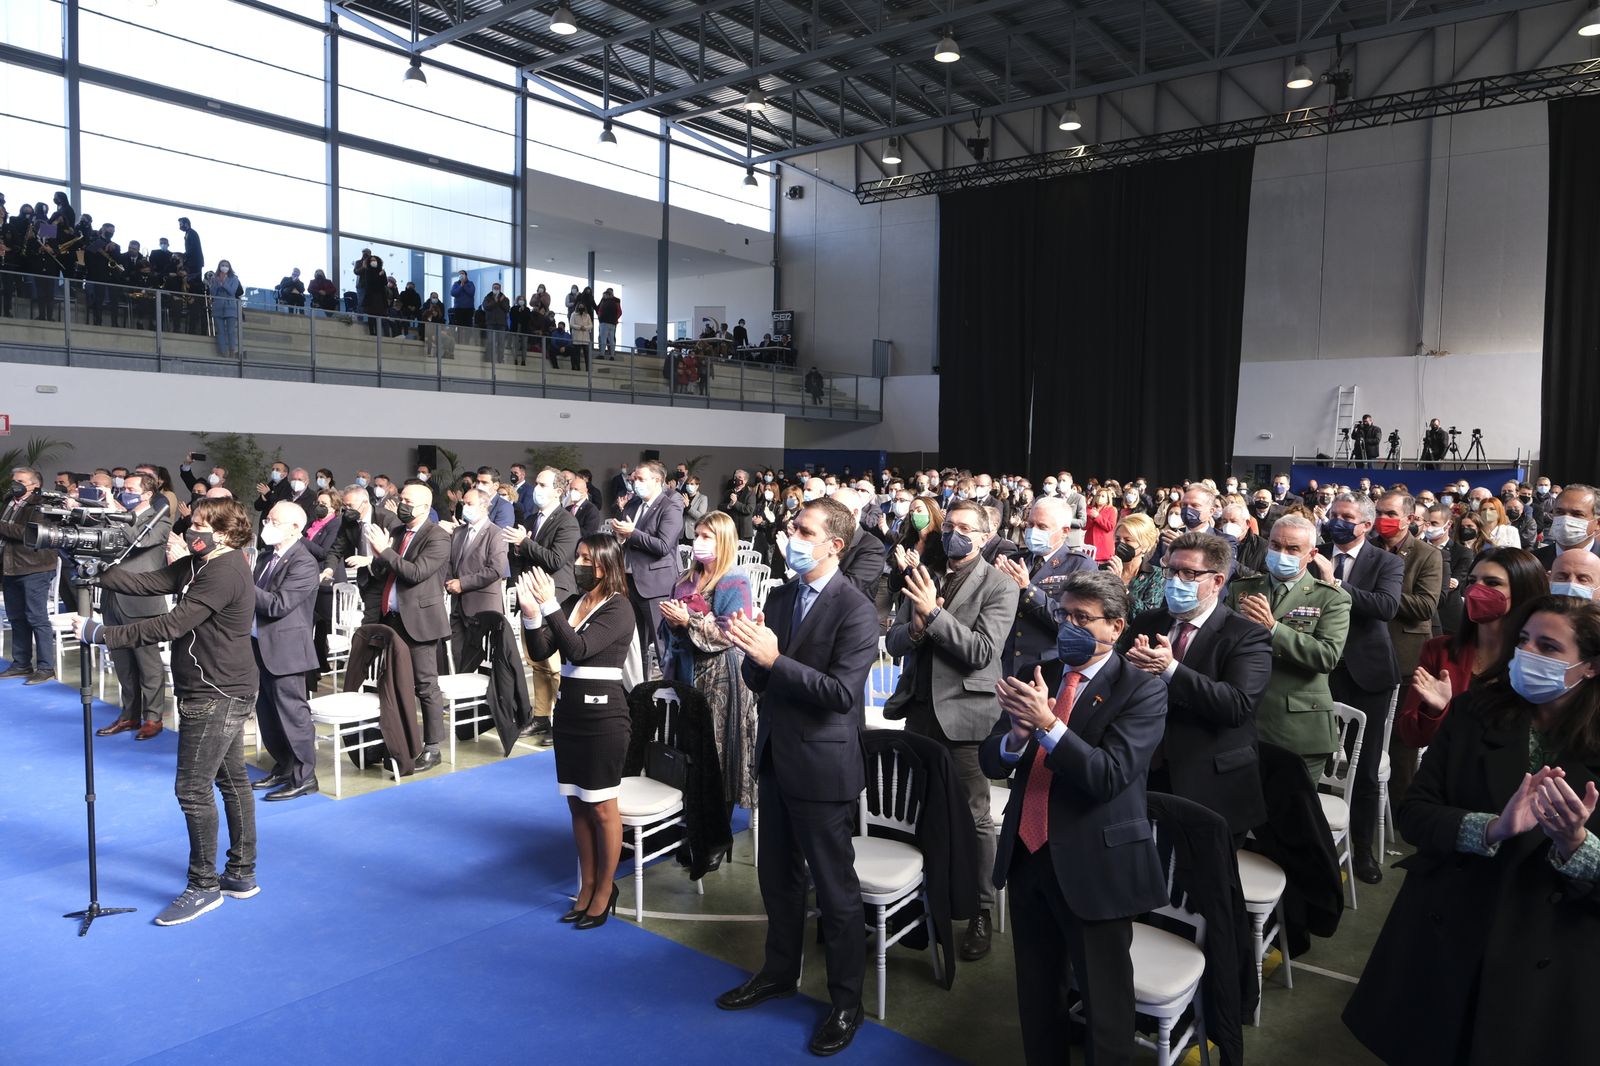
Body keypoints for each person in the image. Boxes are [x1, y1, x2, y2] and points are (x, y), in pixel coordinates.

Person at [1343, 595, 1600, 1065]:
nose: (1528, 655)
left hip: (1550, 946)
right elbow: (1415, 813)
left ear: (1589, 666)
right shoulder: (1475, 712)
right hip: (1452, 925)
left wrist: (1576, 845)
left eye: (1548, 647)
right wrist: (1489, 829)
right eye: (1523, 641)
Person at [984, 569, 1169, 1066]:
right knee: (1038, 992)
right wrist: (1016, 740)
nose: (1068, 625)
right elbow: (991, 759)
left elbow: (1109, 776)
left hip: (1094, 865)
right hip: (1028, 854)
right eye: (1063, 614)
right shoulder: (1036, 672)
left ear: (1116, 627)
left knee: (1105, 1004)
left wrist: (1048, 726)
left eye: (1082, 619)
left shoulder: (1141, 691)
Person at [716, 498, 879, 1057]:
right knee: (776, 878)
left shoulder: (856, 609)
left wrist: (775, 658)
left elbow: (839, 695)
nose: (792, 536)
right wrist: (752, 654)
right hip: (777, 757)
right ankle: (779, 973)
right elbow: (760, 678)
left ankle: (846, 1001)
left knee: (835, 892)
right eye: (792, 527)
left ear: (835, 543)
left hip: (823, 766)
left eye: (804, 530)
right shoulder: (782, 595)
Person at [73, 498, 259, 925]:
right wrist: (97, 569)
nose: (190, 529)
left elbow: (171, 625)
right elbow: (148, 583)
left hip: (216, 692)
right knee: (232, 785)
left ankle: (204, 886)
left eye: (199, 524)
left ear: (227, 533)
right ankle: (242, 875)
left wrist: (101, 633)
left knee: (192, 790)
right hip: (218, 687)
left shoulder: (225, 570)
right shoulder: (200, 560)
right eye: (192, 521)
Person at [883, 498, 1018, 961]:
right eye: (950, 526)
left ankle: (979, 907)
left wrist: (934, 617)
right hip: (919, 710)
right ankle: (926, 890)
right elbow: (894, 638)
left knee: (975, 816)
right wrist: (918, 625)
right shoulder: (927, 574)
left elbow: (982, 651)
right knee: (918, 806)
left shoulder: (1000, 585)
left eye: (965, 529)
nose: (953, 534)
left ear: (983, 538)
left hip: (965, 717)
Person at [517, 536, 637, 929]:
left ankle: (605, 889)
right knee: (577, 805)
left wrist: (550, 605)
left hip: (604, 719)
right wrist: (532, 612)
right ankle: (585, 886)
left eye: (587, 557)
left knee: (602, 806)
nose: (580, 562)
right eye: (579, 556)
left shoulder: (620, 607)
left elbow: (580, 648)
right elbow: (541, 651)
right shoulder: (574, 603)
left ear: (606, 562)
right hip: (568, 713)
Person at [1122, 531, 1272, 838]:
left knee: (1204, 881)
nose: (1176, 580)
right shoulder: (1148, 622)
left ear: (1217, 582)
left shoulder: (1245, 635)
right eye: (1171, 571)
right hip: (1144, 771)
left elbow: (1236, 706)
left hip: (1208, 782)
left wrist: (1170, 670)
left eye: (1189, 573)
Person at [1226, 514, 1353, 782]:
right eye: (1275, 546)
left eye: (1293, 549)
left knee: (1292, 818)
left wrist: (1273, 629)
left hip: (1299, 729)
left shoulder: (1330, 598)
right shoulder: (1243, 590)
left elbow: (1327, 656)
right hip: (1245, 724)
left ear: (1312, 554)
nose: (1281, 554)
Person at [1399, 547, 1548, 751]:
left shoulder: (1538, 659)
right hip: (1447, 773)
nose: (1475, 590)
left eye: (1492, 583)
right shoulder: (1439, 650)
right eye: (1471, 581)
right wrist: (1436, 711)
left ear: (1523, 590)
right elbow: (1411, 735)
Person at [660, 511, 758, 809]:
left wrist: (688, 620)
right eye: (697, 535)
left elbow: (731, 633)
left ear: (724, 541)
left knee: (719, 753)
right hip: (686, 671)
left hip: (722, 679)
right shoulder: (686, 579)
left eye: (706, 536)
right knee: (688, 747)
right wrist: (675, 621)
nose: (697, 542)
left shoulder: (735, 582)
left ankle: (716, 832)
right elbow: (670, 626)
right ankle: (690, 819)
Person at [365, 482, 451, 771]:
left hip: (419, 623)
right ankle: (400, 740)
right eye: (401, 498)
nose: (400, 504)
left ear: (425, 508)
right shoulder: (399, 532)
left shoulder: (437, 537)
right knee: (392, 683)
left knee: (426, 685)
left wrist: (385, 551)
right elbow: (381, 572)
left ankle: (433, 747)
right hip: (391, 619)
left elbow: (415, 573)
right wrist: (378, 555)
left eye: (407, 500)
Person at [248, 501, 322, 800]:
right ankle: (284, 764)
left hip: (287, 650)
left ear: (295, 528)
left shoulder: (304, 562)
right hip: (259, 644)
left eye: (275, 521)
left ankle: (305, 776)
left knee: (292, 714)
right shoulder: (267, 557)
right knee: (267, 713)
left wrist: (241, 581)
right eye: (267, 519)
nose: (267, 525)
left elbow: (278, 604)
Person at [95, 473, 175, 737]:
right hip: (113, 598)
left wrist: (111, 511)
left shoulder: (160, 518)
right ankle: (129, 714)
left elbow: (135, 540)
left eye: (130, 488)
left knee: (147, 664)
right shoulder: (118, 514)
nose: (122, 491)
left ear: (147, 494)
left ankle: (153, 718)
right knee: (123, 663)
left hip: (142, 603)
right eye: (123, 487)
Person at [995, 495, 1095, 675]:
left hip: (1045, 667)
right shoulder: (1015, 560)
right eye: (1030, 525)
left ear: (1064, 532)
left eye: (1042, 527)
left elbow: (1073, 623)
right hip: (1005, 663)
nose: (1033, 531)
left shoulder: (1079, 565)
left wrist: (1028, 589)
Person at [615, 461, 684, 672]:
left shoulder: (669, 505)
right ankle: (639, 692)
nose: (636, 483)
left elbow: (664, 545)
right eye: (634, 479)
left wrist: (632, 534)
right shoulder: (633, 504)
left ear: (657, 480)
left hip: (655, 585)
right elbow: (625, 536)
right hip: (629, 581)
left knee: (662, 645)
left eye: (641, 479)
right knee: (635, 646)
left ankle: (670, 691)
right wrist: (619, 535)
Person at [0, 468, 57, 685]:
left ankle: (45, 667)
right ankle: (21, 663)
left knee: (36, 617)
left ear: (34, 485)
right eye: (14, 480)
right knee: (16, 617)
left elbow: (29, 533)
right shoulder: (10, 501)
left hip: (35, 567)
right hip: (11, 567)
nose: (15, 484)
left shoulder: (42, 504)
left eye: (20, 481)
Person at [447, 486, 509, 634]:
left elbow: (495, 570)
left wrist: (462, 583)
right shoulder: (458, 532)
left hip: (482, 606)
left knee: (478, 654)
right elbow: (449, 562)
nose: (465, 508)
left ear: (484, 506)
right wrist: (449, 582)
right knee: (456, 654)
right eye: (464, 504)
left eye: (470, 504)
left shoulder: (496, 534)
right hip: (457, 606)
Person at [831, 487, 886, 601]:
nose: (829, 514)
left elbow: (847, 588)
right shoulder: (825, 538)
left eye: (835, 509)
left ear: (854, 513)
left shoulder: (872, 547)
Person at [1535, 484, 1600, 567]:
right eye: (1559, 512)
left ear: (1598, 523)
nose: (1565, 519)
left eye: (1577, 514)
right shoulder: (1533, 562)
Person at [207, 260, 243, 357]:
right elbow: (213, 293)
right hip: (218, 307)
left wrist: (224, 282)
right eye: (222, 265)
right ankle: (223, 352)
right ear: (219, 267)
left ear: (229, 267)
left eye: (226, 265)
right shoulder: (214, 279)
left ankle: (232, 350)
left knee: (231, 331)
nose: (224, 267)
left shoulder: (234, 279)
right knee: (220, 331)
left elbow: (232, 292)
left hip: (230, 307)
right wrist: (217, 282)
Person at [595, 287, 621, 360]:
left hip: (605, 323)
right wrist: (615, 320)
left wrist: (600, 320)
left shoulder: (605, 303)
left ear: (608, 295)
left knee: (603, 339)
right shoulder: (615, 303)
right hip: (613, 324)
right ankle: (612, 355)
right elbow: (618, 312)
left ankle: (602, 354)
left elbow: (601, 312)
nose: (604, 296)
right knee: (611, 340)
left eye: (605, 295)